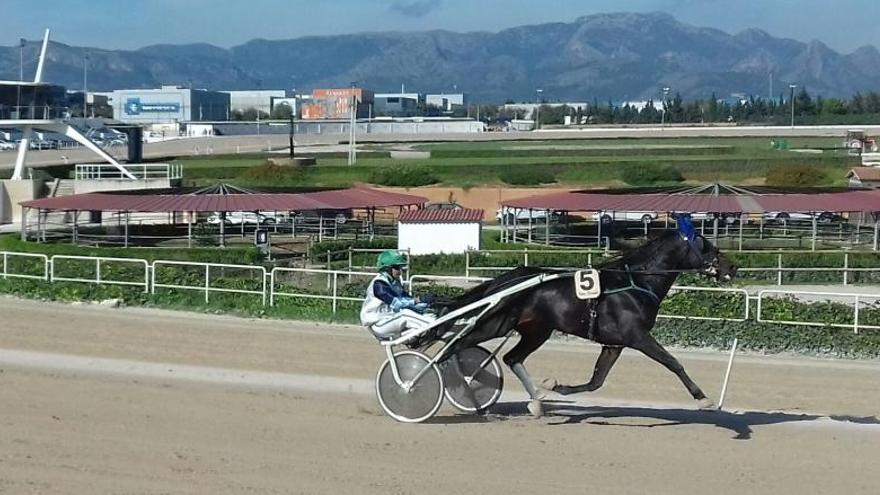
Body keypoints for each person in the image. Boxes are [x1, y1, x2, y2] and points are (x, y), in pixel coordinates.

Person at [360, 250, 434, 340]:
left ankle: (418, 334)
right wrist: (417, 300)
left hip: (389, 320)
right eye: (397, 267)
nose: (400, 271)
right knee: (405, 314)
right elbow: (397, 303)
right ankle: (434, 324)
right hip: (378, 324)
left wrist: (427, 305)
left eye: (400, 267)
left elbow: (407, 300)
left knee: (427, 314)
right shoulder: (379, 284)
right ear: (387, 268)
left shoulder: (395, 283)